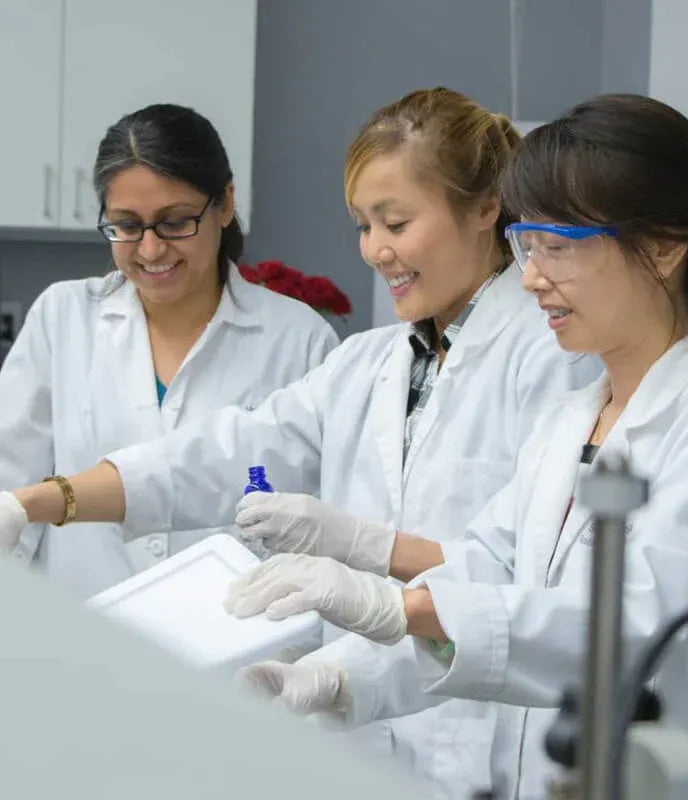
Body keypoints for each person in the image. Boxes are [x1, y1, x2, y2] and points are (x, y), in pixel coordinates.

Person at [0, 88, 590, 796]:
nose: (376, 250)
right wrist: (44, 500)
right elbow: (228, 451)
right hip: (356, 724)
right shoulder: (369, 362)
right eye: (363, 225)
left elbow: (540, 586)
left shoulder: (553, 358)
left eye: (395, 222)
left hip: (476, 735)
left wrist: (369, 556)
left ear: (486, 207)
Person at [220, 94, 688, 799]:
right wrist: (337, 679)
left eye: (561, 247)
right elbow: (486, 573)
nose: (531, 276)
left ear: (665, 246)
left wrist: (401, 607)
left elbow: (634, 623)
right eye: (528, 244)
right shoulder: (570, 421)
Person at [0, 103, 338, 597]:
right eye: (126, 225)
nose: (151, 250)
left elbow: (320, 523)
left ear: (224, 204)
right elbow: (11, 490)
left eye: (176, 222)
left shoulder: (299, 339)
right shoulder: (65, 317)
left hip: (234, 651)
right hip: (81, 639)